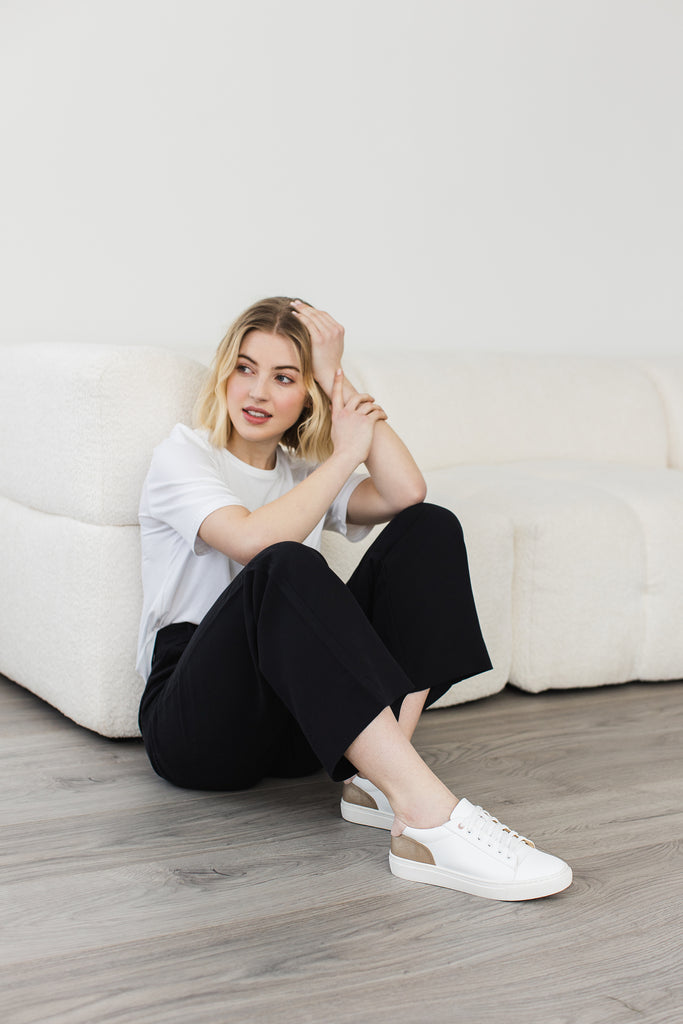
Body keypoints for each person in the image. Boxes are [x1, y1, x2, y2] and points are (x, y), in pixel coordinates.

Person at [136, 296, 572, 902]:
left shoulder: (299, 474)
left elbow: (405, 490)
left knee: (429, 527)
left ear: (306, 395)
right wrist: (343, 453)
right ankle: (427, 817)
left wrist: (336, 374)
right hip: (194, 724)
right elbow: (249, 540)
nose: (258, 390)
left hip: (298, 729)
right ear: (223, 374)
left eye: (285, 376)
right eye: (245, 367)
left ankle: (375, 778)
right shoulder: (182, 455)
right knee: (283, 563)